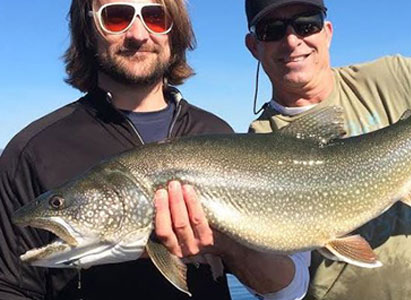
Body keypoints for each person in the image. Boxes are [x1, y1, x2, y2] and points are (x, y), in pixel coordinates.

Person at [0, 0, 309, 299]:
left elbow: (285, 289)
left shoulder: (216, 133)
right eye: (117, 16)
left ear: (174, 31)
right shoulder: (31, 152)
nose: (138, 33)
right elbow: (11, 286)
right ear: (88, 28)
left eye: (155, 17)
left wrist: (228, 245)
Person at [243, 0, 411, 299]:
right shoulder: (257, 146)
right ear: (253, 46)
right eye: (271, 30)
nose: (291, 40)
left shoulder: (395, 78)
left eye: (306, 24)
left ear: (327, 31)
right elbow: (287, 286)